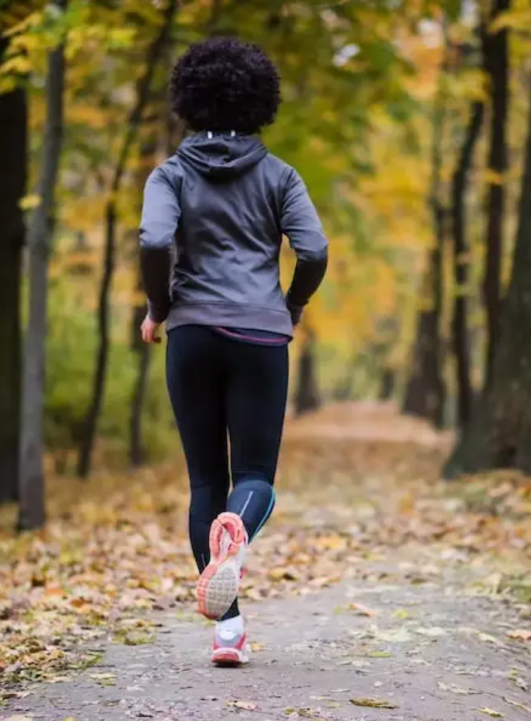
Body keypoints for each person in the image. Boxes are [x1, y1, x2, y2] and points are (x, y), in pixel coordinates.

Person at [138, 37, 329, 667]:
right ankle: (238, 534)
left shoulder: (169, 174)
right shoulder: (280, 176)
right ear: (258, 102)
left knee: (203, 482)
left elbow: (154, 239)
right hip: (259, 335)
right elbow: (316, 251)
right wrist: (291, 305)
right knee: (253, 478)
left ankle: (228, 635)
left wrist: (160, 308)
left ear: (189, 101)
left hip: (190, 333)